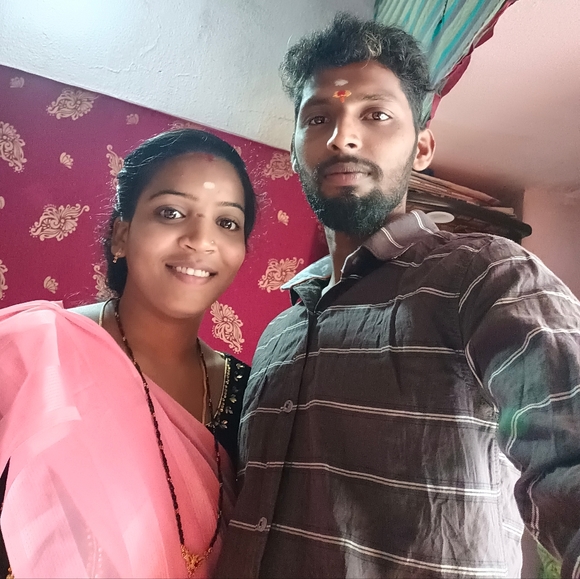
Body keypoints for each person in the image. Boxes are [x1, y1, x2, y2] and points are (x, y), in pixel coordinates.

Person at [215, 14, 580, 579]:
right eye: (318, 118)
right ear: (294, 149)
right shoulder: (277, 337)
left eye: (376, 114)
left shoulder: (488, 277)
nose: (342, 137)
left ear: (422, 147)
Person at [0, 128, 257, 578]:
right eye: (171, 212)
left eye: (227, 222)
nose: (201, 239)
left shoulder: (249, 391)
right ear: (122, 234)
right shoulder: (37, 349)